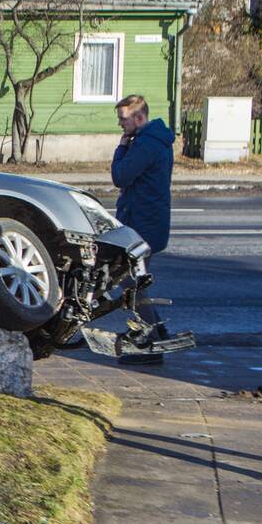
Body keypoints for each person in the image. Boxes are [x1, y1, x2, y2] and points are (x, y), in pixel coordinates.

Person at [110, 94, 175, 364]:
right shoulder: (153, 140)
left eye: (123, 120)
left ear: (139, 118)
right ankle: (157, 331)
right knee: (135, 281)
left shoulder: (146, 144)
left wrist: (121, 148)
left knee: (131, 282)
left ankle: (150, 340)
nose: (121, 125)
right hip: (146, 222)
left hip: (143, 226)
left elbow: (120, 176)